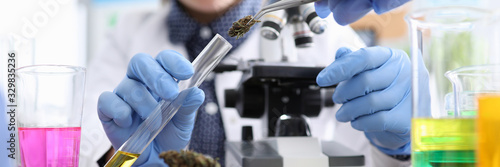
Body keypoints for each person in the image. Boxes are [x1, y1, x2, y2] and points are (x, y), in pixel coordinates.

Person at [81, 0, 414, 166]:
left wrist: (397, 147)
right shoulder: (127, 34)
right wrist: (125, 156)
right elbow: (83, 144)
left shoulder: (326, 35)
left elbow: (370, 156)